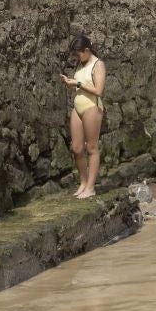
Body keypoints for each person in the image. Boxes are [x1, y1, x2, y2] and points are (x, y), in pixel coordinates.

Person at [60, 34, 107, 199]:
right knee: (76, 148)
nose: (76, 57)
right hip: (78, 108)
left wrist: (78, 83)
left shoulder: (98, 64)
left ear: (87, 50)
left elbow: (98, 91)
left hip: (92, 107)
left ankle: (91, 187)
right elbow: (80, 87)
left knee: (91, 148)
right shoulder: (81, 64)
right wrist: (70, 83)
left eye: (78, 53)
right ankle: (83, 182)